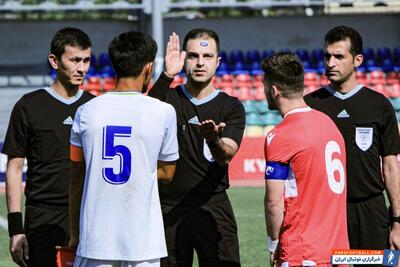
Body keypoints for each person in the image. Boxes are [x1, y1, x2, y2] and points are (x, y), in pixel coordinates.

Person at [68, 31, 179, 267]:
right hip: (144, 241)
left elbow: (77, 174)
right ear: (149, 67)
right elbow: (168, 173)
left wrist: (74, 232)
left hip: (95, 238)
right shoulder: (164, 112)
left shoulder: (86, 111)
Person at [149, 29, 245, 266]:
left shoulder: (231, 107)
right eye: (193, 55)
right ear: (184, 59)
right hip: (168, 206)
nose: (200, 62)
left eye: (207, 56)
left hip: (213, 206)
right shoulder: (168, 98)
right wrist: (167, 75)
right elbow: (144, 114)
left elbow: (226, 156)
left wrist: (213, 140)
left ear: (217, 61)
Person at [2, 27, 94, 267]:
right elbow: (14, 168)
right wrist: (16, 229)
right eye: (74, 60)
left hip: (89, 215)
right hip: (43, 216)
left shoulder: (96, 107)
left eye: (86, 60)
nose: (82, 68)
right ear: (54, 61)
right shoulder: (29, 106)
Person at [304, 25, 400, 252]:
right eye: (327, 56)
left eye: (338, 56)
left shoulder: (379, 105)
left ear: (357, 60)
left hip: (369, 209)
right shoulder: (310, 105)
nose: (330, 63)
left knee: (375, 263)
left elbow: (390, 166)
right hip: (324, 212)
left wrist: (397, 220)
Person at [263, 52, 349, 266]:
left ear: (274, 91)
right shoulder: (329, 123)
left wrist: (274, 244)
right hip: (338, 250)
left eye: (264, 85)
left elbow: (274, 202)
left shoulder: (280, 135)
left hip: (303, 252)